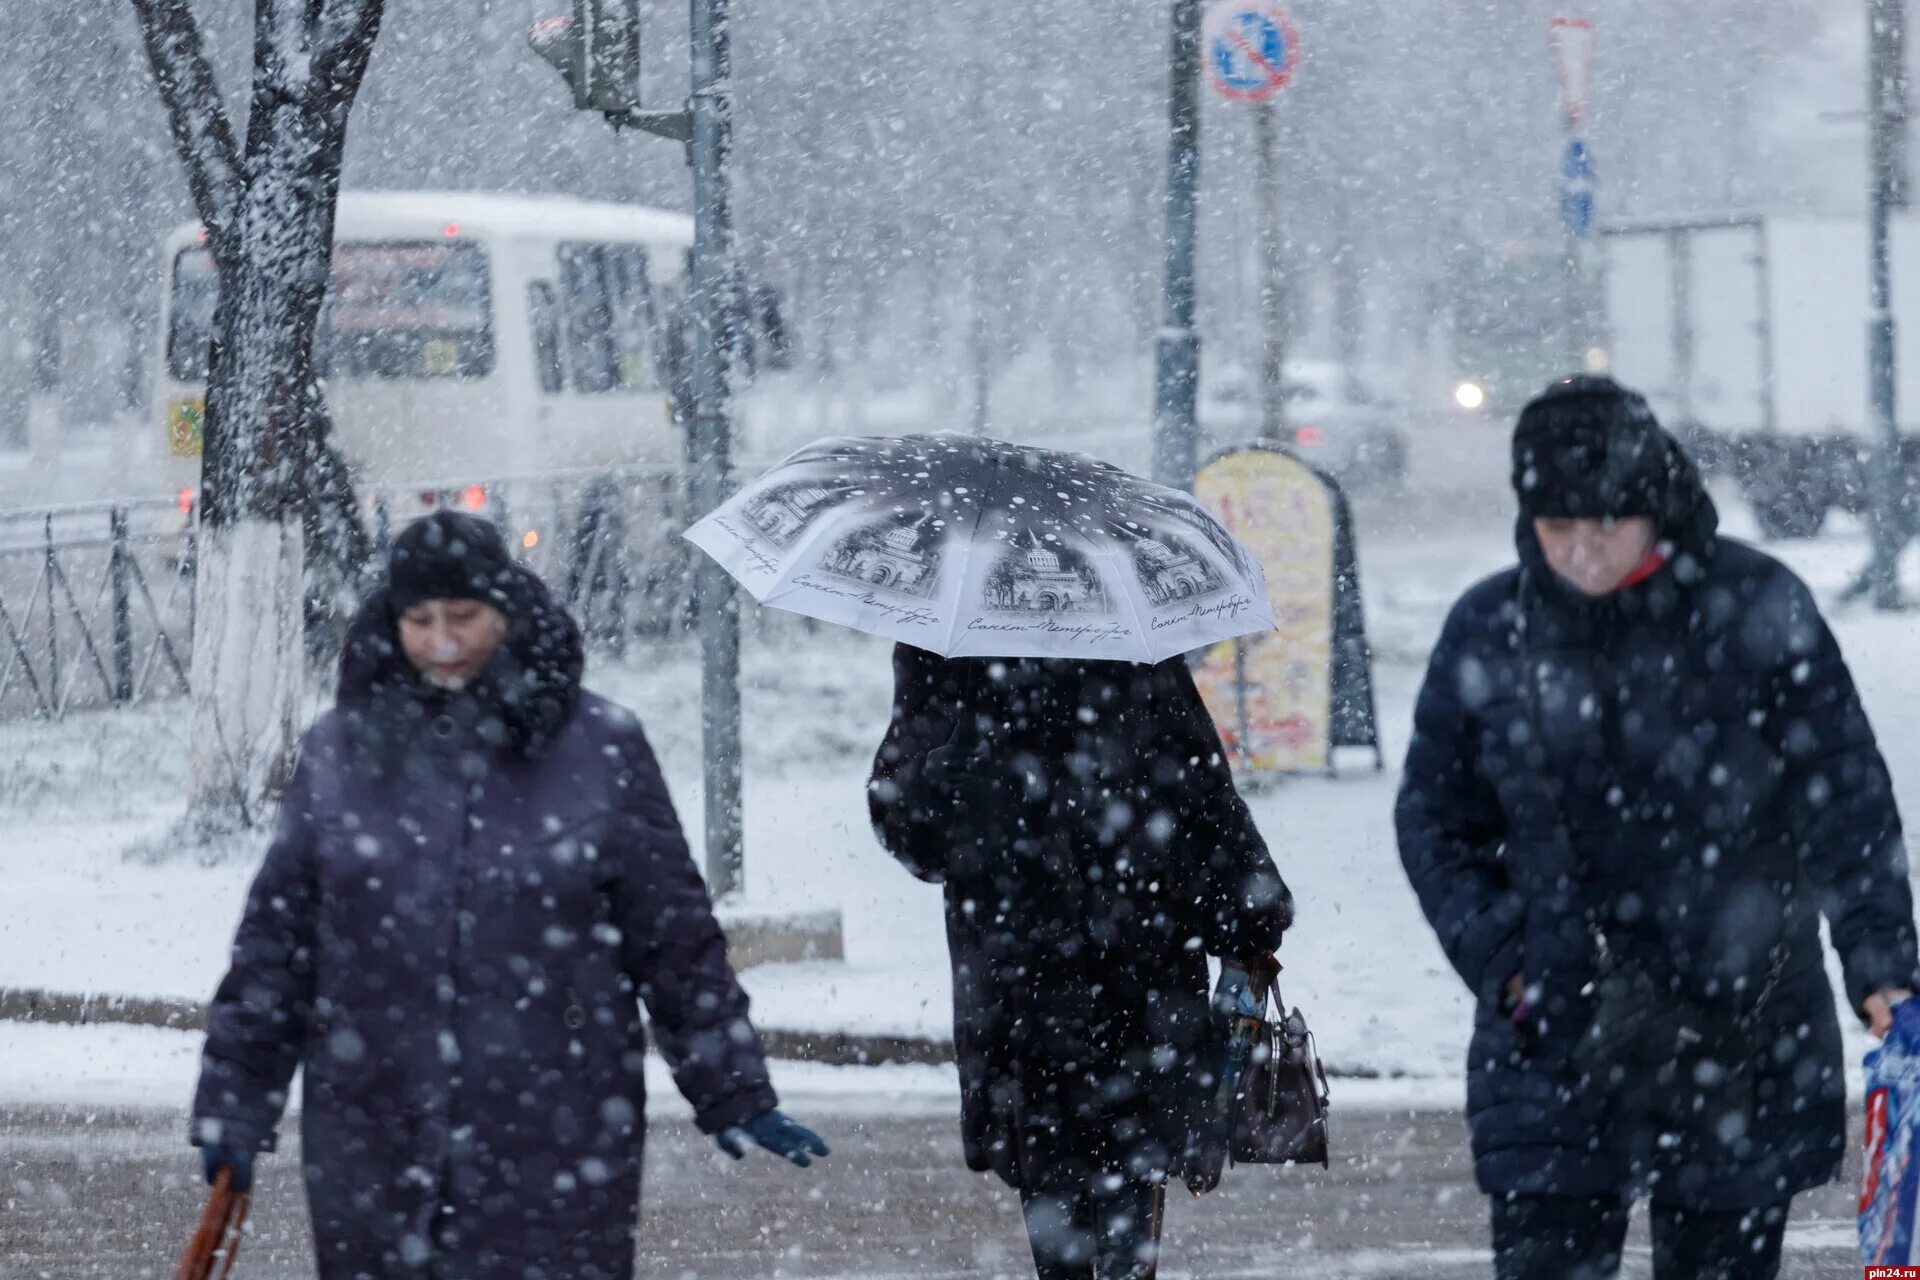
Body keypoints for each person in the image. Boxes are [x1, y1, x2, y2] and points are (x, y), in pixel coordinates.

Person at [190, 511, 827, 1280]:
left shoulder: (602, 748)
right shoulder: (338, 754)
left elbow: (674, 938)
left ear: (508, 611)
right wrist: (235, 1104)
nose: (443, 641)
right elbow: (274, 948)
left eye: (463, 617)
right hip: (375, 1136)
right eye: (419, 621)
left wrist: (733, 1087)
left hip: (555, 1137)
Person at [1396, 375, 1920, 1280]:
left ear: (1656, 505)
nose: (1582, 552)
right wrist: (1506, 960)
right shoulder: (1492, 628)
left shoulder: (1759, 608)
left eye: (1604, 524)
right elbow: (1436, 820)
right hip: (1553, 1028)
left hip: (1745, 1025)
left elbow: (1847, 801)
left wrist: (1879, 961)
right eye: (1558, 529)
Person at [869, 645, 1292, 1280]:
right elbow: (906, 822)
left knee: (1129, 1203)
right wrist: (939, 783)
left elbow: (1201, 788)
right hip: (1028, 991)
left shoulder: (1133, 646)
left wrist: (1248, 919)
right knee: (1058, 1213)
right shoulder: (949, 652)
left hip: (1135, 982)